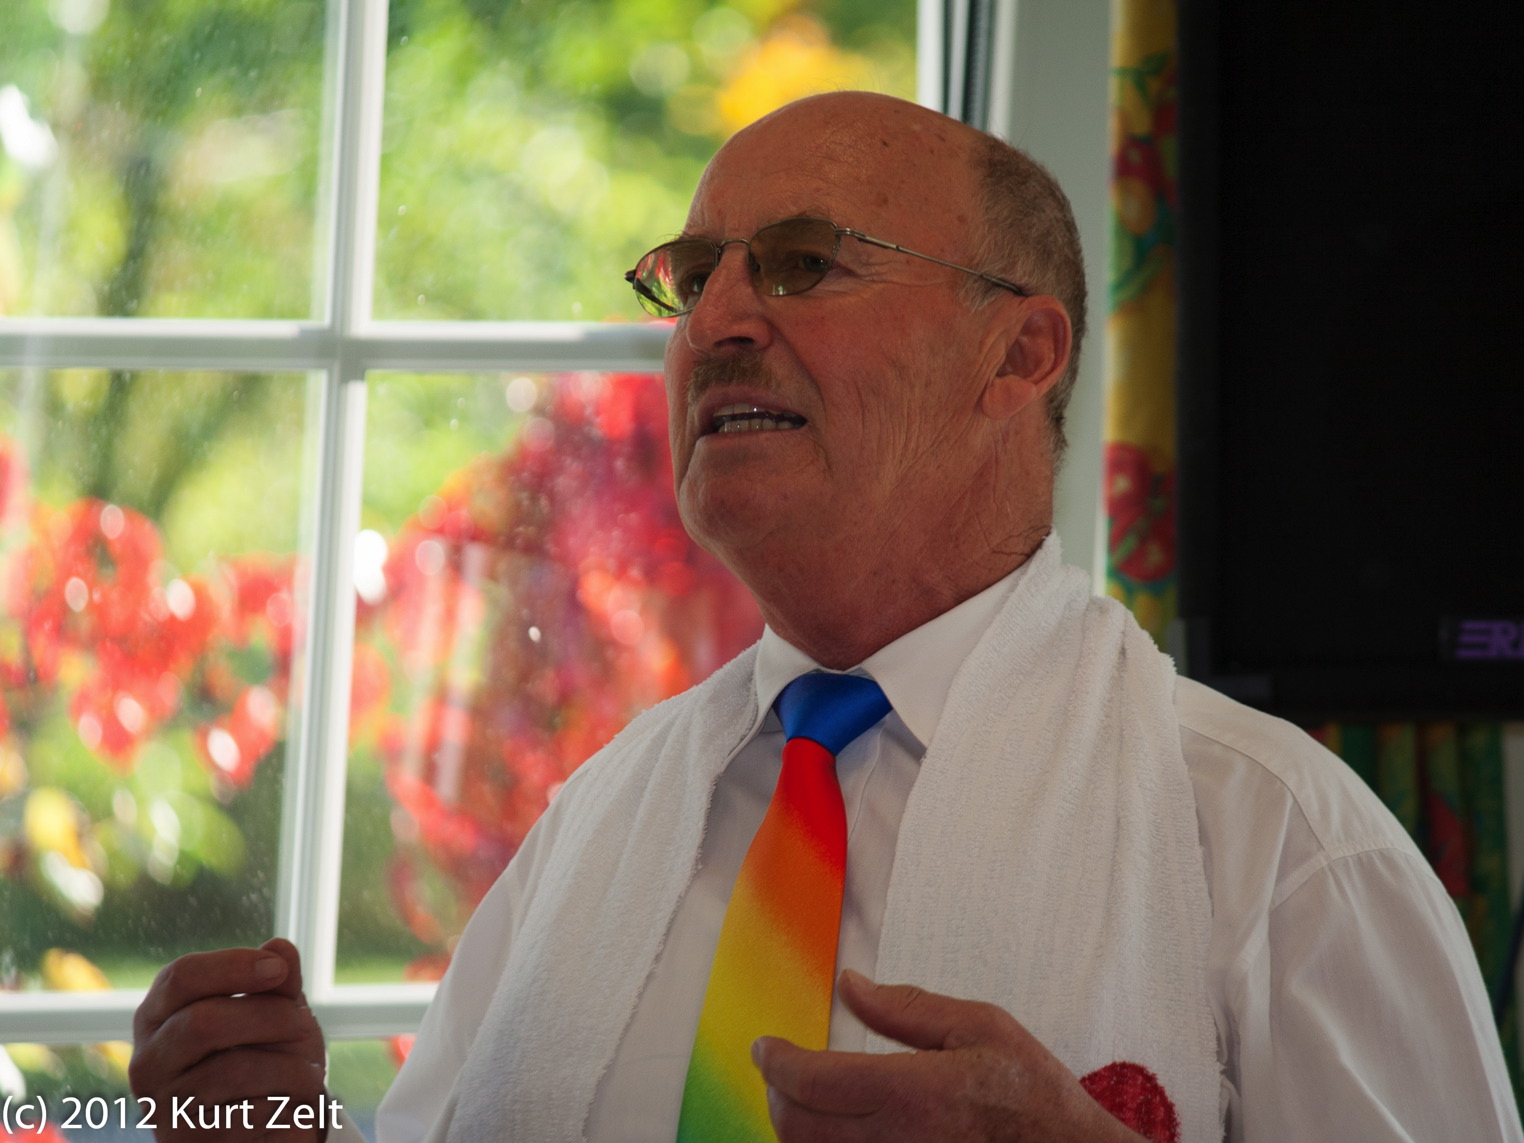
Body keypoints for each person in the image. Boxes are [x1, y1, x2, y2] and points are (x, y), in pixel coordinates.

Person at [129, 91, 1520, 1142]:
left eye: (802, 264)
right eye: (694, 277)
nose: (716, 321)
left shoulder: (1280, 847)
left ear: (1016, 354)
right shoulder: (591, 829)